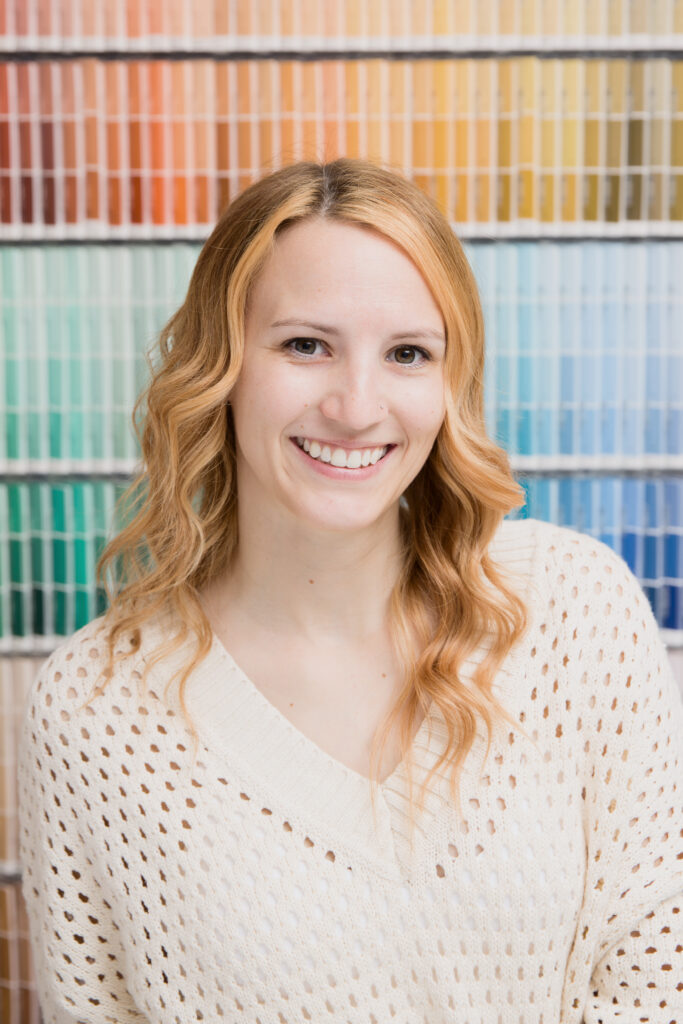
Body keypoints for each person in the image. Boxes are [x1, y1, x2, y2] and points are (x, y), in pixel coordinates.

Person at [18, 158, 682, 1024]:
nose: (357, 406)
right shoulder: (92, 709)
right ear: (221, 364)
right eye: (305, 345)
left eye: (407, 354)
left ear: (448, 384)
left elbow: (657, 971)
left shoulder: (574, 609)